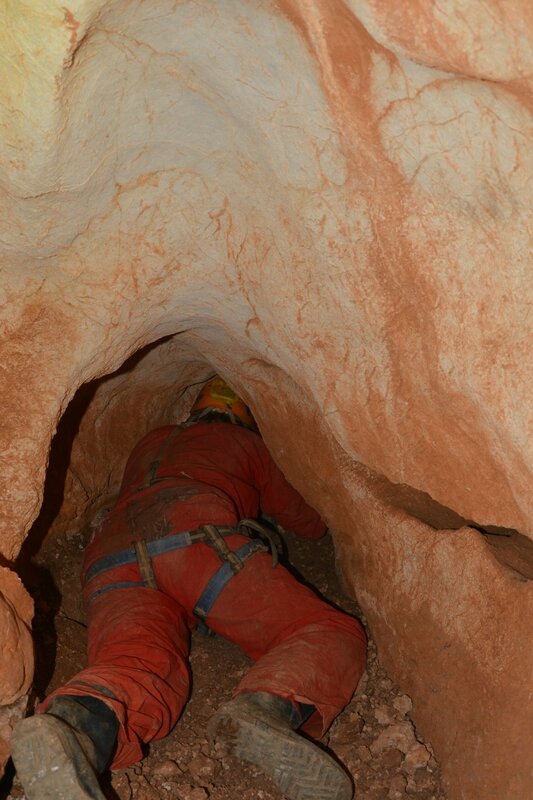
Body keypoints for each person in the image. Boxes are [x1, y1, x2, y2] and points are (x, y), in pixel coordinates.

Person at [12, 376, 367, 800]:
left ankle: (74, 729)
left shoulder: (152, 441)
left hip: (110, 559)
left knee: (139, 666)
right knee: (326, 630)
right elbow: (308, 523)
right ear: (243, 416)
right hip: (195, 543)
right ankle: (265, 708)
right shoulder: (243, 443)